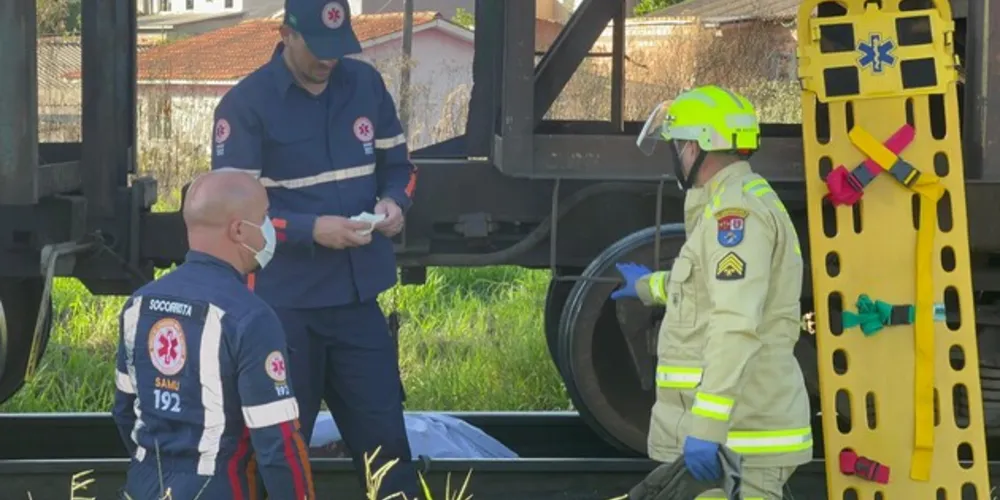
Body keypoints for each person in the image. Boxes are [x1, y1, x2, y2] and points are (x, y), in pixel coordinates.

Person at [208, 0, 419, 496]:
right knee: (279, 451)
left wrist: (394, 204)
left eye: (339, 48)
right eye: (319, 50)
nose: (329, 61)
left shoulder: (365, 86)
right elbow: (234, 216)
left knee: (387, 442)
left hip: (357, 300)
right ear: (287, 35)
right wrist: (309, 229)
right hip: (282, 309)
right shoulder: (244, 107)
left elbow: (401, 167)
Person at [613, 85, 812, 499]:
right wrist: (649, 287)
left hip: (739, 439)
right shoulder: (726, 207)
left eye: (678, 144)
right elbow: (709, 290)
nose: (677, 153)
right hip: (735, 435)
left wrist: (706, 430)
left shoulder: (735, 217)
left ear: (697, 147)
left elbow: (735, 324)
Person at [112, 170, 314, 500]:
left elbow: (124, 411)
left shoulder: (139, 304)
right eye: (264, 217)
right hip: (217, 489)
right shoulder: (251, 317)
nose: (268, 227)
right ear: (238, 229)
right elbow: (278, 443)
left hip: (141, 485)